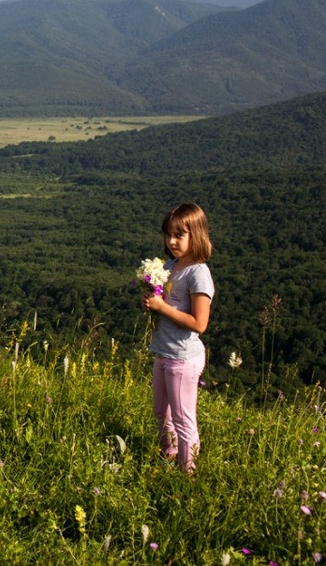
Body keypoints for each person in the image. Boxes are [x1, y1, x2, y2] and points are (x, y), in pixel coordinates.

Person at [142, 203, 214, 474]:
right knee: (161, 412)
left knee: (184, 419)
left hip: (183, 357)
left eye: (179, 235)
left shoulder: (198, 274)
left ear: (196, 235)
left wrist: (163, 308)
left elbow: (200, 323)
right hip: (164, 351)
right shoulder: (170, 266)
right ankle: (168, 454)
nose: (171, 241)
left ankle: (188, 471)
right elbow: (165, 303)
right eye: (168, 234)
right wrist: (152, 302)